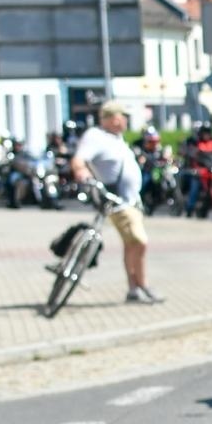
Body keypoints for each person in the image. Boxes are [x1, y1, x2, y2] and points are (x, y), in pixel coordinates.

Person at [71, 101, 162, 304]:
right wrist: (84, 176)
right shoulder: (95, 136)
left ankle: (135, 287)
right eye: (123, 116)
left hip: (130, 200)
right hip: (117, 201)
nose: (126, 120)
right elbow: (79, 161)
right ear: (113, 118)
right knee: (139, 241)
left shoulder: (116, 138)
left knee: (132, 245)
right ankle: (141, 285)